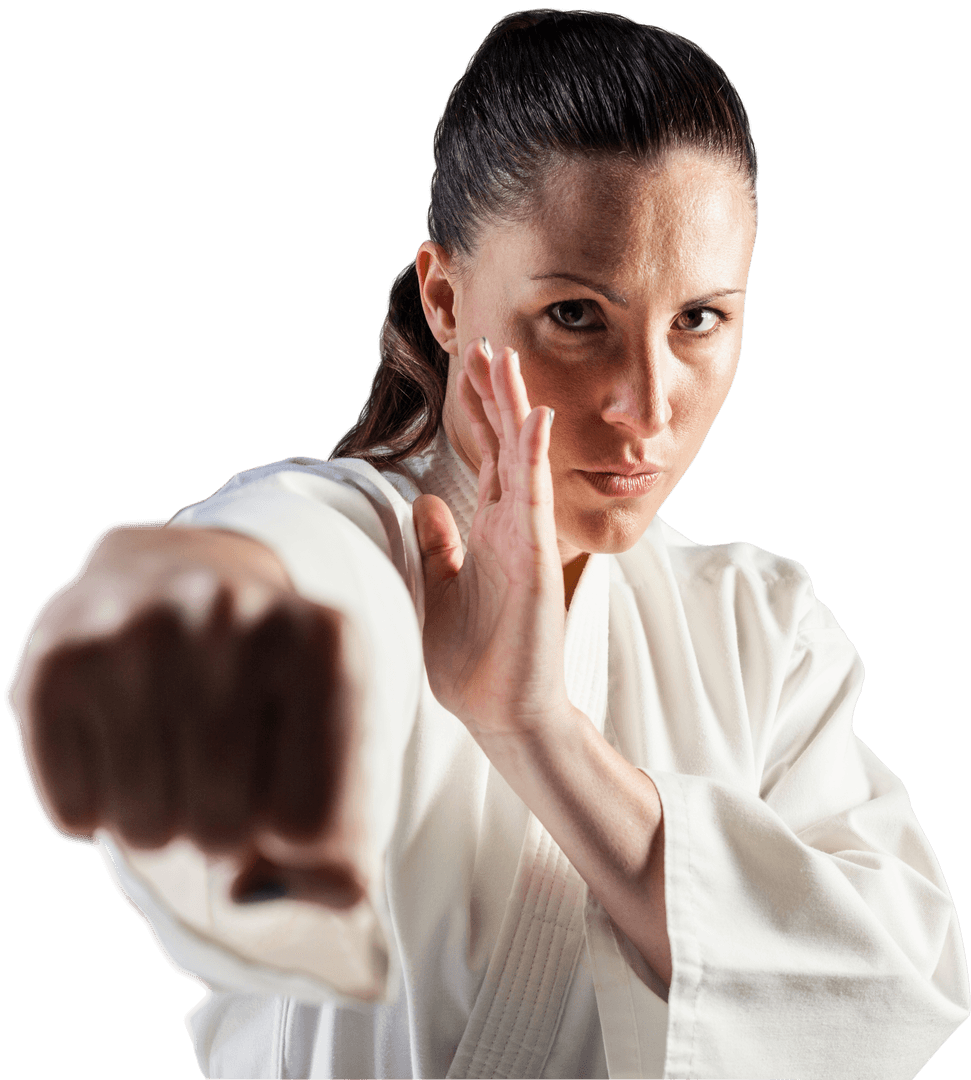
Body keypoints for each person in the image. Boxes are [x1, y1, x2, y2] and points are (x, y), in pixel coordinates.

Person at [6, 9, 969, 1079]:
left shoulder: (756, 628)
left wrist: (534, 731)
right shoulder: (353, 543)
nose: (644, 406)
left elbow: (894, 987)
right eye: (574, 316)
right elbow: (248, 592)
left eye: (698, 320)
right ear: (446, 297)